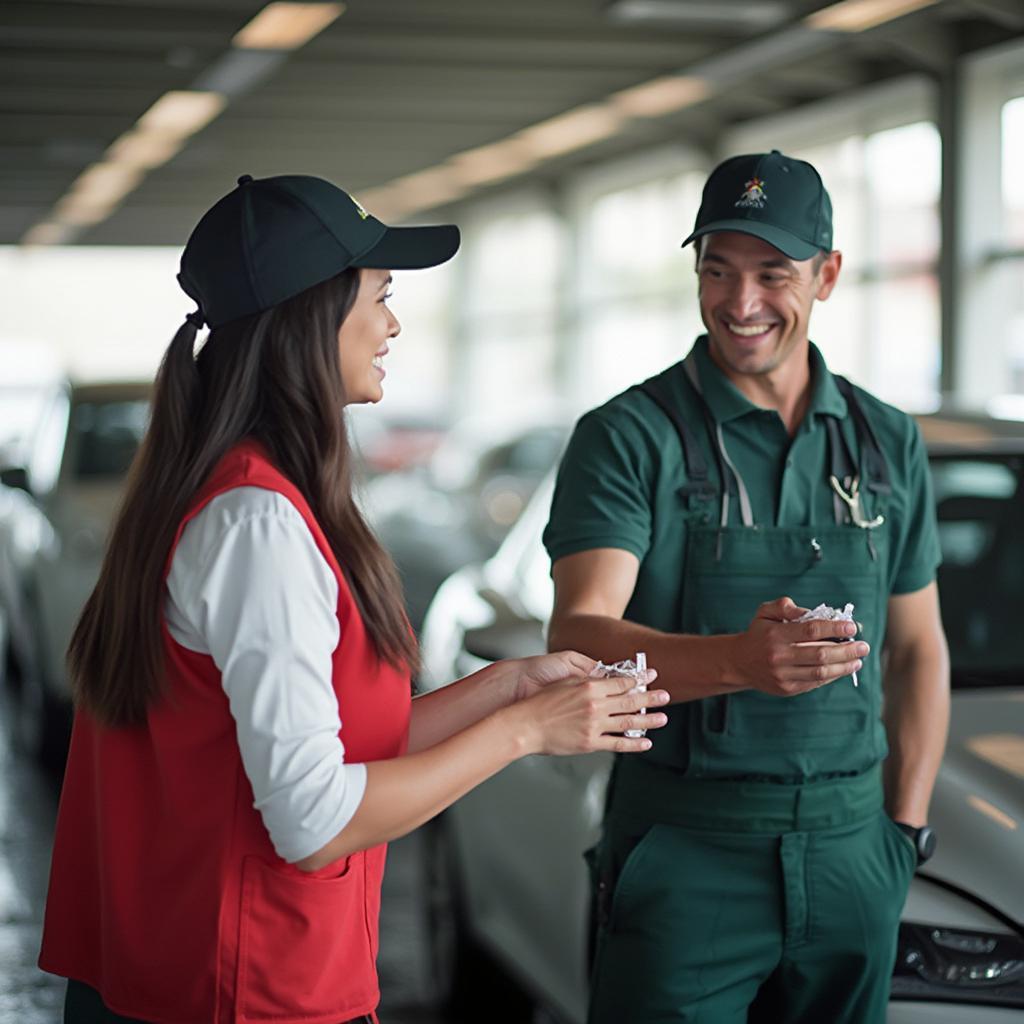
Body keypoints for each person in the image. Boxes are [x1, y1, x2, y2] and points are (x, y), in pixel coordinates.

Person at [38, 173, 671, 1024]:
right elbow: (313, 819)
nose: (394, 323)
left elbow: (326, 746)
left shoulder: (242, 494)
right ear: (310, 314)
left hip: (224, 982)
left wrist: (510, 687)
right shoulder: (256, 523)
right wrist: (524, 734)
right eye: (380, 295)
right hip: (244, 995)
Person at [544, 150, 950, 1024]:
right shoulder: (629, 437)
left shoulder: (886, 443)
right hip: (688, 850)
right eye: (718, 271)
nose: (741, 303)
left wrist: (903, 835)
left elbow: (918, 649)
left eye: (773, 273)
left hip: (853, 850)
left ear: (828, 274)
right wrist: (739, 660)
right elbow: (579, 636)